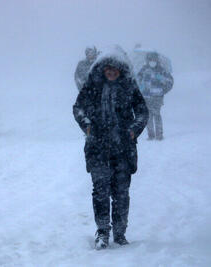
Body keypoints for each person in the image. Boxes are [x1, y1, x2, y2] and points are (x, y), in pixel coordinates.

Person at [73, 46, 149, 250]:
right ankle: (103, 232)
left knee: (121, 192)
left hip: (123, 150)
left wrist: (134, 130)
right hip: (97, 148)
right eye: (108, 68)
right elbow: (78, 108)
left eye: (115, 68)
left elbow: (142, 112)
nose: (111, 71)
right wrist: (87, 125)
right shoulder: (92, 86)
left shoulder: (129, 87)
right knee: (100, 191)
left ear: (121, 70)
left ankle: (120, 232)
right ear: (102, 68)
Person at [137, 52, 173, 140]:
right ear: (148, 60)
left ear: (157, 60)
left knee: (156, 114)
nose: (152, 62)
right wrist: (141, 87)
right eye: (150, 60)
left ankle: (159, 135)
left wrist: (163, 86)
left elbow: (170, 82)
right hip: (146, 97)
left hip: (157, 96)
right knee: (148, 116)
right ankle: (151, 135)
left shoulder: (161, 70)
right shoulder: (143, 69)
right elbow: (138, 80)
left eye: (154, 60)